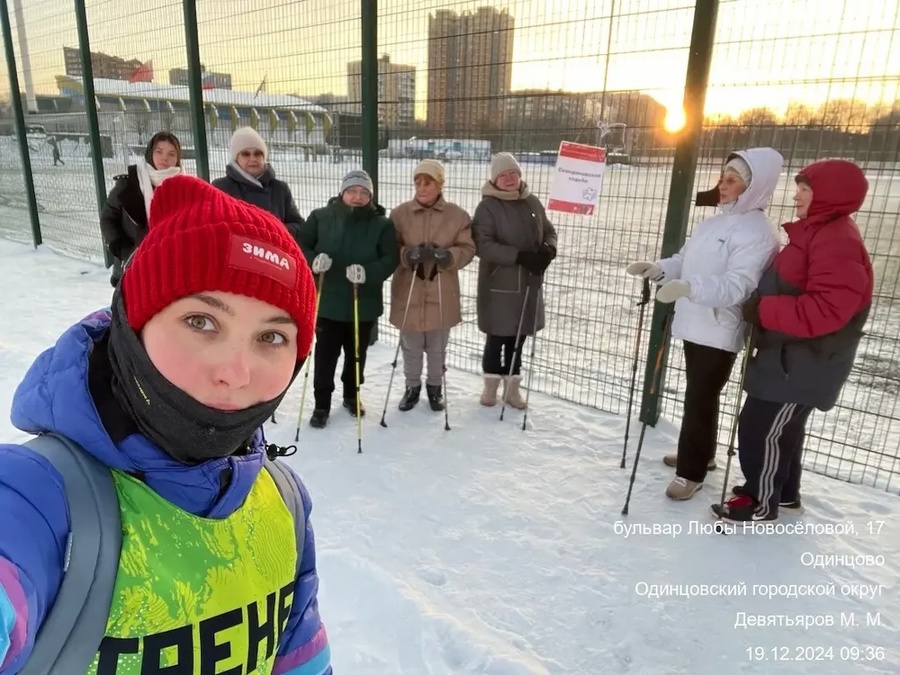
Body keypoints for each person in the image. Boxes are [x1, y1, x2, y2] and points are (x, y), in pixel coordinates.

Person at [0, 175, 332, 672]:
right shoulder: (35, 497)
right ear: (134, 324)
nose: (235, 374)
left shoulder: (282, 501)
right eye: (201, 322)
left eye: (272, 338)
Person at [712, 159, 873, 523]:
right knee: (782, 429)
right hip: (790, 356)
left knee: (760, 426)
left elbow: (829, 309)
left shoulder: (837, 240)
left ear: (828, 195)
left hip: (804, 360)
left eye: (804, 189)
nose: (795, 195)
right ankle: (783, 493)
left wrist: (764, 310)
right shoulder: (817, 232)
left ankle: (760, 500)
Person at [627, 148, 782, 501]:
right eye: (722, 177)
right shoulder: (712, 222)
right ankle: (702, 454)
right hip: (694, 320)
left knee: (699, 397)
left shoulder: (758, 232)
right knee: (699, 396)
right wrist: (660, 269)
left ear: (754, 187)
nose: (722, 185)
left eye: (732, 180)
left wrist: (692, 288)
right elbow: (685, 258)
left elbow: (738, 285)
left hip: (719, 326)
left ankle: (690, 472)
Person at [298, 170, 398, 427]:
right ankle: (321, 404)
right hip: (328, 302)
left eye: (364, 192)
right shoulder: (321, 217)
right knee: (325, 355)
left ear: (371, 196)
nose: (357, 197)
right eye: (352, 191)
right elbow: (301, 244)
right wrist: (313, 261)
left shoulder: (382, 225)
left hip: (361, 303)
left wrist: (368, 272)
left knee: (356, 355)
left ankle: (352, 395)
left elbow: (390, 259)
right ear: (342, 192)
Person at [472, 152, 557, 409]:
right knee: (497, 336)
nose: (509, 179)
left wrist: (548, 249)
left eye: (513, 173)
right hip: (500, 284)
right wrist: (517, 255)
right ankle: (490, 388)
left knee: (518, 338)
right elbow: (482, 245)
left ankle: (512, 390)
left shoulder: (531, 202)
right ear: (495, 179)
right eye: (503, 175)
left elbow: (549, 231)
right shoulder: (487, 207)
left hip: (529, 283)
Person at [389, 159, 475, 411]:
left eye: (428, 182)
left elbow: (468, 247)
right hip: (410, 290)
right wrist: (407, 254)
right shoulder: (400, 214)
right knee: (411, 346)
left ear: (440, 185)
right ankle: (412, 387)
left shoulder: (457, 216)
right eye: (418, 182)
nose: (422, 187)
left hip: (441, 290)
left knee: (437, 347)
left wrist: (448, 257)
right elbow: (388, 246)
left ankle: (435, 389)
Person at [100, 131, 182, 287]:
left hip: (170, 271)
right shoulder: (128, 184)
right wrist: (123, 249)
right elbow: (108, 218)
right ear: (150, 153)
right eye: (159, 152)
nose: (165, 158)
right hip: (131, 268)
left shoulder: (184, 187)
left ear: (178, 159)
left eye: (171, 154)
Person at [212, 126, 305, 240]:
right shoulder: (220, 187)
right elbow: (214, 226)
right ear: (236, 158)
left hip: (275, 251)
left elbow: (297, 224)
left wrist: (279, 231)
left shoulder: (280, 188)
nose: (253, 159)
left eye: (258, 153)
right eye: (246, 154)